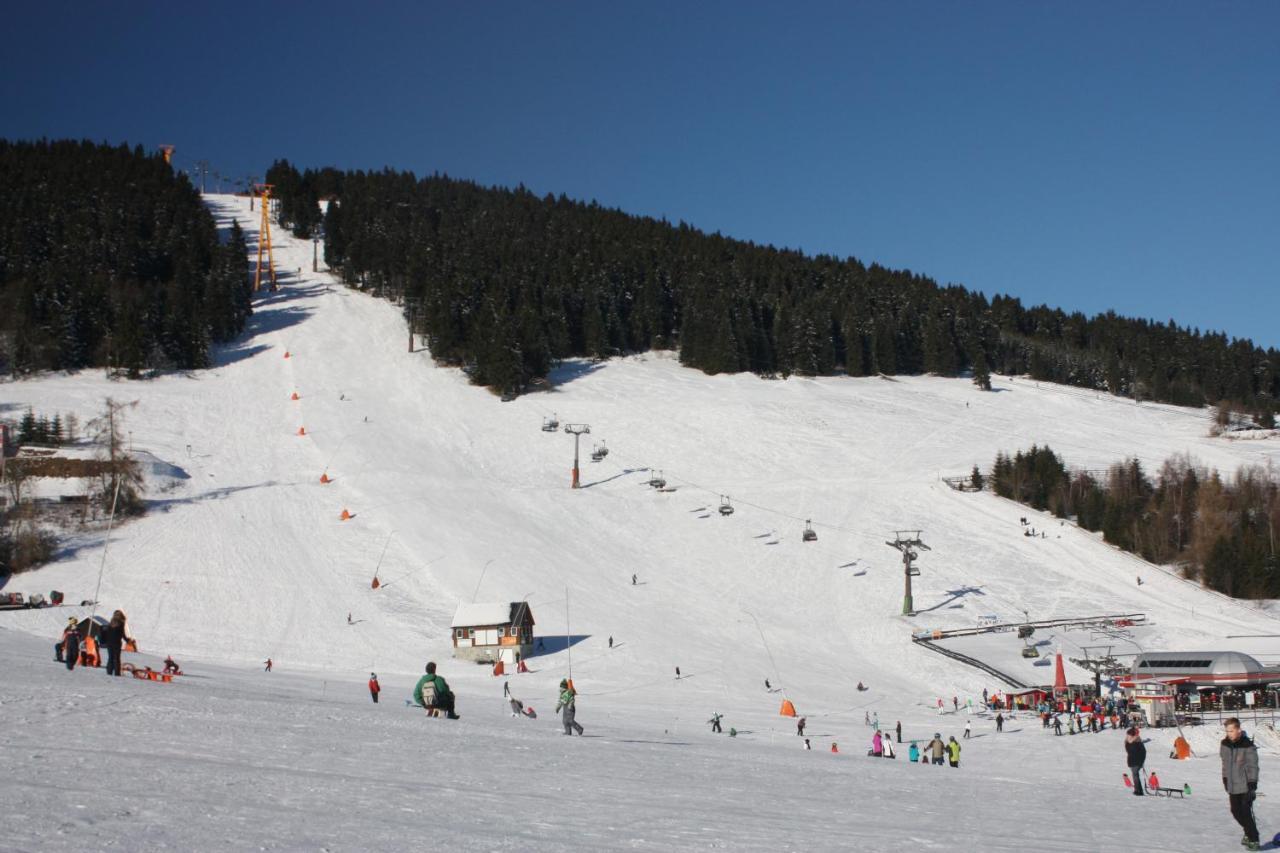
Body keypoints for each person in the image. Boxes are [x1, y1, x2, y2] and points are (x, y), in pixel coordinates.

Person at [1221, 717, 1260, 849]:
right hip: (1232, 785)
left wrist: (1252, 784)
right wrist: (1225, 778)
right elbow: (1225, 764)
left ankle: (1254, 839)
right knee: (1235, 812)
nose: (1229, 734)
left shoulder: (1247, 746)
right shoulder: (1224, 744)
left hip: (1245, 786)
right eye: (1227, 731)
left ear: (1239, 730)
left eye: (1231, 731)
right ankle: (1248, 833)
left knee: (1245, 813)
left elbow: (1253, 766)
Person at [100, 610, 135, 677]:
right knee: (116, 658)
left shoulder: (111, 622)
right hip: (117, 643)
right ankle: (117, 673)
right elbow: (122, 634)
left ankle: (109, 672)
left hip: (109, 643)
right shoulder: (121, 623)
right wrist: (127, 640)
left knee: (110, 658)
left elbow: (108, 633)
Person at [1124, 727, 1147, 796]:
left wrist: (1141, 761)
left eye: (1129, 735)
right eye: (1127, 735)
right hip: (1132, 761)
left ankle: (1138, 791)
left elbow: (1143, 752)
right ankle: (1139, 790)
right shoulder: (1128, 742)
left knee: (1135, 776)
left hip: (1137, 761)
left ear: (1132, 735)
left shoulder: (1137, 742)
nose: (1127, 736)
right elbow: (1129, 751)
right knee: (1135, 775)